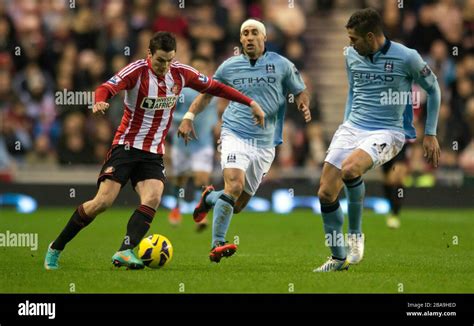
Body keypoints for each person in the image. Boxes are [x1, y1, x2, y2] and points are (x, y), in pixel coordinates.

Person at [44, 31, 265, 270]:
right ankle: (56, 247)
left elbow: (215, 88)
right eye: (160, 60)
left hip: (153, 153)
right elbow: (107, 87)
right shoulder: (136, 72)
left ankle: (125, 250)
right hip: (126, 147)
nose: (165, 66)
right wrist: (100, 100)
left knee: (154, 196)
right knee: (102, 202)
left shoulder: (180, 73)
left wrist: (250, 102)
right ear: (149, 54)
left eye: (170, 59)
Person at [314, 8, 441, 272]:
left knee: (350, 169)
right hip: (352, 127)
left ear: (370, 37)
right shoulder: (350, 55)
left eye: (354, 39)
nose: (350, 44)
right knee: (325, 193)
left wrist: (430, 133)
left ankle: (356, 234)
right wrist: (346, 124)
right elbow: (353, 90)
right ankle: (338, 259)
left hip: (388, 131)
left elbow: (434, 88)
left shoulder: (408, 57)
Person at [177, 19, 311, 263]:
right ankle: (217, 243)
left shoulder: (281, 65)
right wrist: (188, 117)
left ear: (264, 38)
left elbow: (300, 89)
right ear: (240, 40)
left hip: (266, 143)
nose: (249, 37)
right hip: (234, 134)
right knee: (234, 186)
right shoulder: (229, 67)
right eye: (245, 34)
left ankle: (208, 198)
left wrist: (302, 102)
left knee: (236, 204)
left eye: (254, 33)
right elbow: (208, 94)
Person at [168, 55, 219, 232]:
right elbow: (170, 114)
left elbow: (214, 114)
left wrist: (217, 124)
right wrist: (186, 119)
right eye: (195, 67)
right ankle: (176, 207)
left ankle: (200, 215)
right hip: (182, 141)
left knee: (202, 178)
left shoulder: (212, 89)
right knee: (180, 179)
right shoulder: (182, 91)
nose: (198, 71)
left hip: (203, 142)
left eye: (201, 68)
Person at [381, 141, 413, 229]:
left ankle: (395, 214)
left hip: (401, 141)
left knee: (398, 179)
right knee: (387, 182)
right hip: (385, 143)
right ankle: (392, 209)